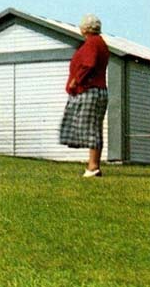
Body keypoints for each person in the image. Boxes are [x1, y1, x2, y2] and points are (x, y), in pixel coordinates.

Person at [59, 13, 109, 177]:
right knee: (94, 127)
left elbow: (89, 64)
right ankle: (93, 165)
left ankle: (93, 166)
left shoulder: (91, 44)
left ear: (85, 28)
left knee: (91, 128)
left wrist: (76, 80)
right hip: (98, 89)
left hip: (89, 89)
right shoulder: (100, 43)